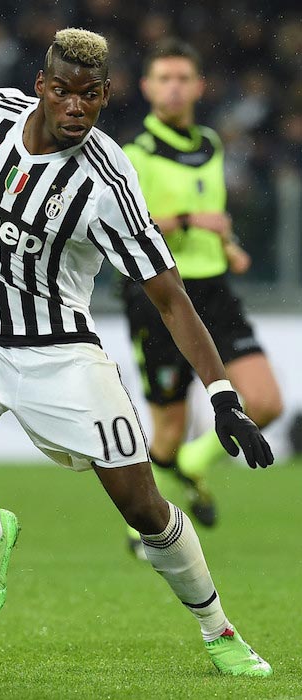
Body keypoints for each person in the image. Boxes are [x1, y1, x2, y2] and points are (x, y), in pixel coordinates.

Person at [0, 28, 274, 678]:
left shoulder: (107, 183)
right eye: (65, 92)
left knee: (142, 507)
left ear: (105, 97)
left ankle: (219, 632)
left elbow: (170, 297)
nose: (77, 107)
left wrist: (221, 397)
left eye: (92, 96)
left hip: (59, 354)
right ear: (42, 88)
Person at [120, 39, 282, 556]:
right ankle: (146, 521)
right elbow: (127, 228)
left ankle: (191, 466)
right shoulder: (132, 156)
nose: (173, 87)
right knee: (165, 427)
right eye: (163, 78)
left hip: (212, 287)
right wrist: (189, 223)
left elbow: (211, 210)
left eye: (182, 78)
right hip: (158, 291)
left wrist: (228, 244)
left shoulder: (211, 143)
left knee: (265, 401)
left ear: (198, 86)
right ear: (147, 87)